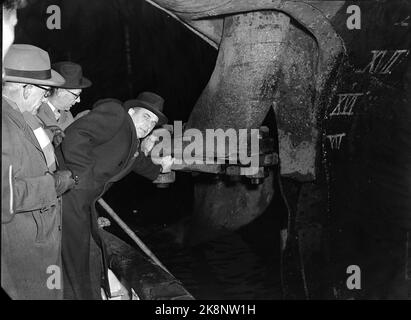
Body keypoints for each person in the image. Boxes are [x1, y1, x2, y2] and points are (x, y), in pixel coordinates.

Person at [58, 92, 174, 299]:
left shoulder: (131, 140)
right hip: (72, 194)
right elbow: (75, 135)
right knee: (77, 256)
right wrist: (82, 178)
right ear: (131, 111)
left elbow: (136, 162)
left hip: (84, 199)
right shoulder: (116, 114)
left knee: (90, 250)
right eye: (146, 116)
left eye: (154, 122)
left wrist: (160, 170)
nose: (149, 125)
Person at [2, 44, 76, 299]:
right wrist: (55, 183)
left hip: (37, 247)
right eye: (45, 93)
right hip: (20, 257)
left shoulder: (19, 117)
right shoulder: (4, 124)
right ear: (26, 89)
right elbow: (5, 196)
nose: (45, 100)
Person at [36, 61, 92, 146]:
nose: (78, 100)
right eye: (76, 95)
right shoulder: (35, 111)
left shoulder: (67, 114)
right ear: (60, 91)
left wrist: (77, 123)